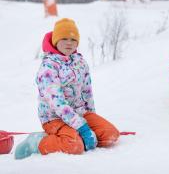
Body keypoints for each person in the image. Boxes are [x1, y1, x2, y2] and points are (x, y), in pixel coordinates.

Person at [15, 18, 120, 159]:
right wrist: (82, 127)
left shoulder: (80, 62)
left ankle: (73, 135)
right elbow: (57, 103)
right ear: (55, 41)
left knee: (110, 135)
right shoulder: (48, 67)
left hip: (80, 113)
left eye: (73, 39)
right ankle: (37, 142)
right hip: (54, 118)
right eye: (64, 38)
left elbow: (87, 92)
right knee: (74, 145)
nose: (69, 43)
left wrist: (92, 121)